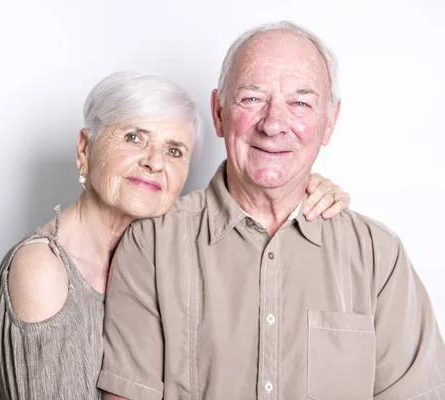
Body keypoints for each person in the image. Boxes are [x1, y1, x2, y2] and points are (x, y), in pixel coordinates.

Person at [98, 22, 445, 400]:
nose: (273, 124)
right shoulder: (151, 245)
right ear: (218, 112)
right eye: (252, 98)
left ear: (329, 122)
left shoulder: (379, 256)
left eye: (300, 103)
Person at [0, 71, 351, 399]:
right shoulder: (42, 269)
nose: (155, 162)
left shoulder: (162, 258)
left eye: (174, 150)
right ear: (85, 148)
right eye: (134, 137)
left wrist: (299, 191)